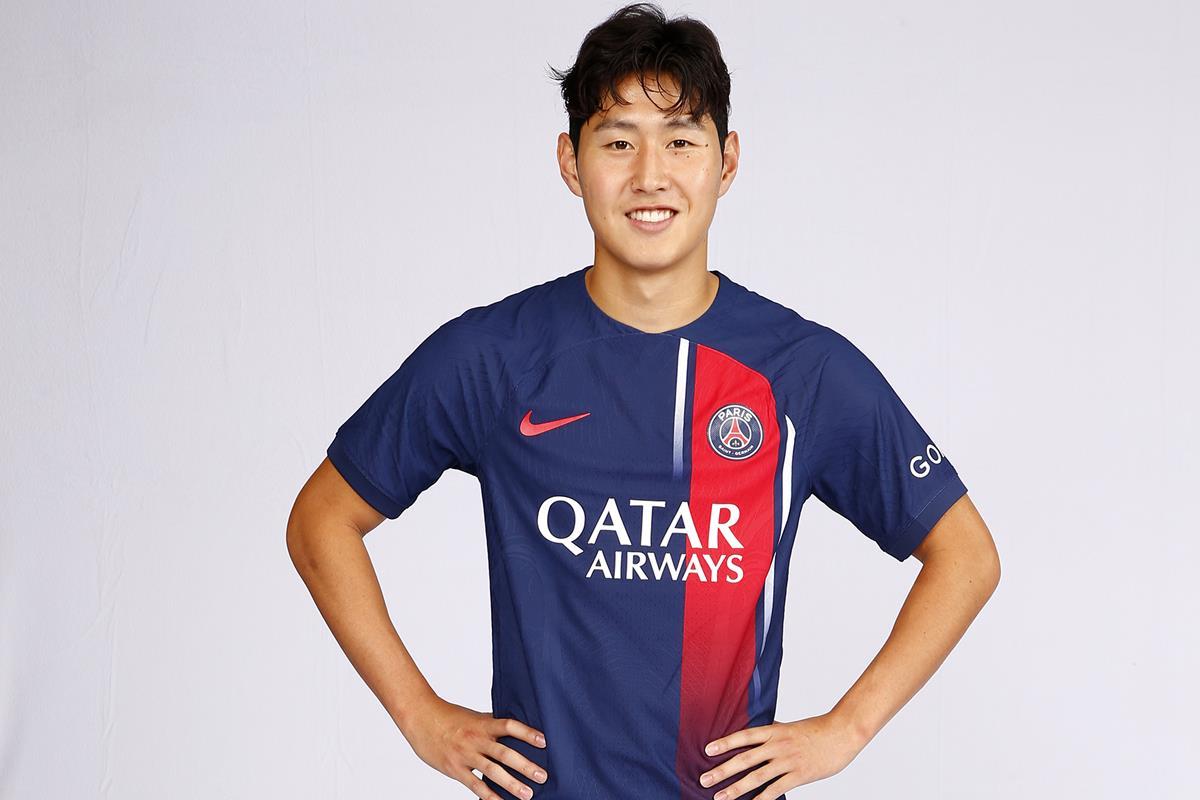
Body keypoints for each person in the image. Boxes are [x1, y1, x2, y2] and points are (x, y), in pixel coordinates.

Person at [286, 3, 1000, 799]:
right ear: (571, 161)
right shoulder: (494, 358)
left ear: (727, 162)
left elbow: (966, 557)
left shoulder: (801, 372)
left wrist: (847, 729)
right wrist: (420, 716)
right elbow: (321, 519)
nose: (650, 176)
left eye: (682, 141)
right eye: (618, 141)